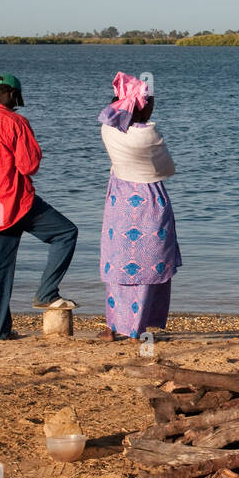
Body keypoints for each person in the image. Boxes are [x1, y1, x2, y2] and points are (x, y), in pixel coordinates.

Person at [0, 73, 79, 340]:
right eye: (16, 99)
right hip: (17, 202)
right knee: (65, 233)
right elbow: (29, 166)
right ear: (11, 94)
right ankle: (46, 292)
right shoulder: (15, 122)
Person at [97, 72, 181, 341]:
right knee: (147, 262)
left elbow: (111, 117)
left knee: (119, 262)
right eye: (151, 102)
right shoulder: (150, 136)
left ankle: (114, 326)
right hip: (150, 200)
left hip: (119, 200)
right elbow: (166, 168)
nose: (154, 106)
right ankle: (138, 327)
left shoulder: (108, 130)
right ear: (143, 107)